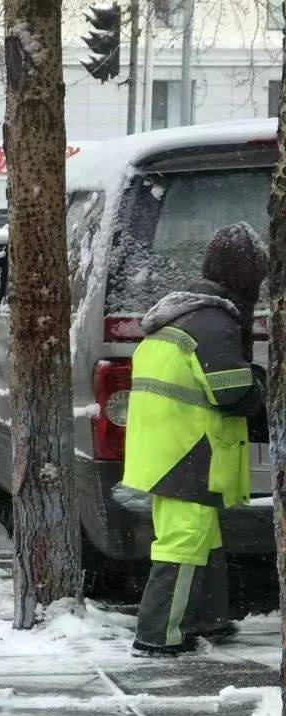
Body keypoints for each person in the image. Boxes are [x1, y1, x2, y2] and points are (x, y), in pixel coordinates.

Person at [122, 223, 267, 656]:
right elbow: (232, 392)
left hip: (165, 446)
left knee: (202, 534)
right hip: (190, 447)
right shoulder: (216, 321)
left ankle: (207, 619)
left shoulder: (183, 313)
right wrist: (262, 383)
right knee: (185, 538)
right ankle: (157, 635)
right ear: (244, 274)